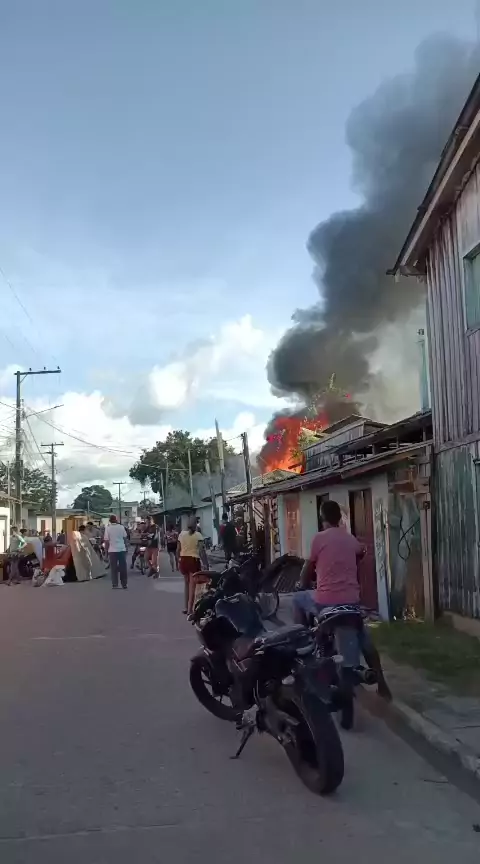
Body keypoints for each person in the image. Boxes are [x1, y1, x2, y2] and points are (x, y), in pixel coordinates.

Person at [293, 499, 391, 700]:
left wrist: (301, 584)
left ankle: (304, 643)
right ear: (339, 518)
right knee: (364, 639)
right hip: (351, 602)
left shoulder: (318, 539)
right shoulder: (350, 538)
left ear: (322, 518)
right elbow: (361, 552)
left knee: (297, 598)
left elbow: (306, 571)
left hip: (325, 601)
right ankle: (382, 684)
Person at [177, 517, 208, 615]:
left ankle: (186, 607)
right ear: (196, 524)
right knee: (192, 586)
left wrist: (178, 561)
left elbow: (178, 550)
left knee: (186, 585)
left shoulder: (182, 534)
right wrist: (206, 564)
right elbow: (202, 551)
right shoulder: (198, 535)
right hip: (193, 561)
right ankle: (190, 610)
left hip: (183, 560)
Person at [104, 514, 128, 589]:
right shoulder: (121, 527)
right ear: (116, 520)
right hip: (121, 549)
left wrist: (106, 552)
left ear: (110, 521)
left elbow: (106, 541)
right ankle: (124, 584)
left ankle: (115, 584)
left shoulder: (108, 528)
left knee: (113, 568)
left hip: (112, 550)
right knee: (123, 567)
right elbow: (125, 538)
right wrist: (126, 547)